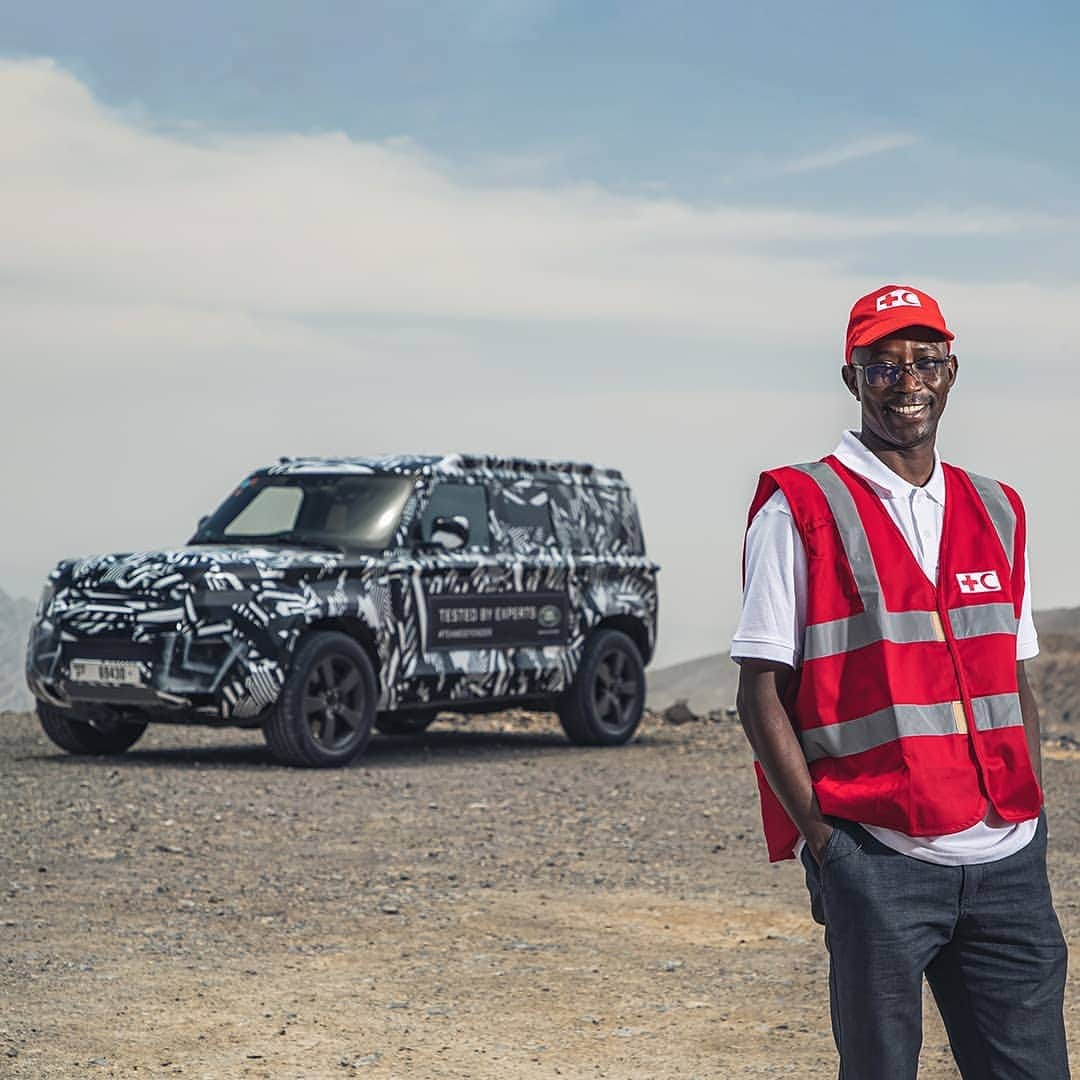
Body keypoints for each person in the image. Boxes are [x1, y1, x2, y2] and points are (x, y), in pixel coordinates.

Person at [732, 284, 1069, 1079]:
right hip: (879, 859)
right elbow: (759, 694)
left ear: (952, 372)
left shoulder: (1000, 508)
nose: (906, 381)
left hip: (1009, 858)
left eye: (923, 362)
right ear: (852, 380)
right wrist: (831, 851)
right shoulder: (801, 507)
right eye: (881, 367)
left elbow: (1014, 680)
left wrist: (1033, 807)